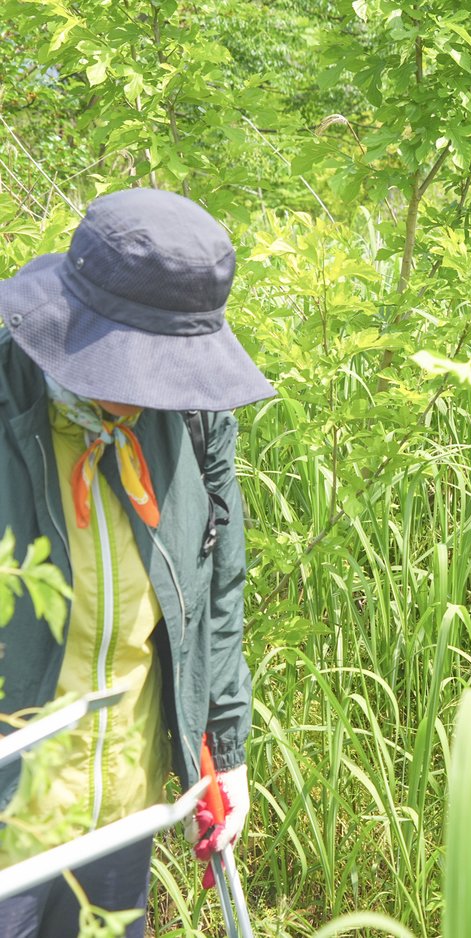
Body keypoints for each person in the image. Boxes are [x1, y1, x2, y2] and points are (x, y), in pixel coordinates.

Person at [0, 187, 273, 936]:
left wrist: (224, 750)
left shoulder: (190, 421)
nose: (147, 395)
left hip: (120, 812)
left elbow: (217, 589)